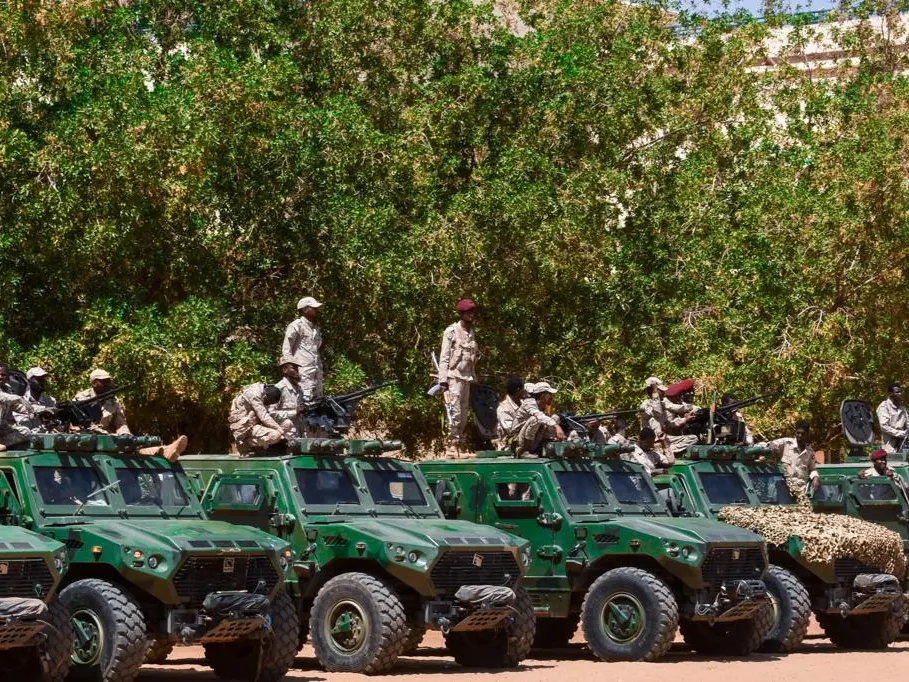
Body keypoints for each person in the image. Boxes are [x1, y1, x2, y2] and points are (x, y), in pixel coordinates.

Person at [74, 369, 187, 462]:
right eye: (104, 381)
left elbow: (120, 424)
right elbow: (81, 423)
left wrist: (126, 436)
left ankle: (164, 450)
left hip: (107, 440)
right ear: (94, 383)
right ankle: (163, 451)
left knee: (132, 447)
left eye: (108, 381)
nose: (108, 384)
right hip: (85, 438)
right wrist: (109, 435)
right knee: (121, 447)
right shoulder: (82, 398)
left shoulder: (111, 401)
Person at [437, 299, 479, 452]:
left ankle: (458, 444)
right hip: (453, 377)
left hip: (466, 377)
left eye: (473, 312)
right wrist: (443, 381)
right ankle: (451, 445)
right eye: (469, 312)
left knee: (463, 414)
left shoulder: (470, 332)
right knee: (454, 412)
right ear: (462, 314)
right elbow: (444, 357)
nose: (471, 315)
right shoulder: (451, 331)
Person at [228, 383, 294, 455]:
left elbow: (269, 414)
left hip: (256, 420)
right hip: (247, 426)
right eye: (268, 402)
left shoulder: (263, 392)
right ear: (265, 396)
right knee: (275, 435)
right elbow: (264, 417)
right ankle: (244, 444)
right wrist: (281, 431)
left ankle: (266, 446)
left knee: (288, 423)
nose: (268, 404)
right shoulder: (254, 395)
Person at [282, 296, 324, 402]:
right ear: (305, 310)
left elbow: (316, 348)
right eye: (313, 307)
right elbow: (287, 348)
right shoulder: (296, 326)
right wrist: (290, 367)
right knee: (304, 400)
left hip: (316, 370)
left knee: (318, 401)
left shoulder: (315, 328)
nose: (316, 310)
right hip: (303, 372)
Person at [770, 420, 820, 491]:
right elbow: (771, 444)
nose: (800, 436)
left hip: (800, 490)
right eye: (798, 433)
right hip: (783, 488)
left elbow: (812, 469)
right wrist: (772, 446)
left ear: (807, 434)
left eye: (803, 434)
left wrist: (816, 478)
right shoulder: (786, 443)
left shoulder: (810, 452)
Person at [272, 358, 306, 436]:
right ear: (285, 370)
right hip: (285, 435)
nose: (297, 371)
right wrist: (295, 412)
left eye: (297, 368)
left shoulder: (299, 389)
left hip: (300, 433)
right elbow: (271, 414)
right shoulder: (278, 388)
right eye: (293, 368)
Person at [876, 382, 908, 454]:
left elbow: (908, 422)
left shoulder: (902, 407)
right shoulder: (884, 406)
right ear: (890, 394)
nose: (900, 394)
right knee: (893, 461)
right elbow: (884, 426)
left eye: (900, 392)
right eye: (897, 392)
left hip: (903, 442)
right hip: (890, 443)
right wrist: (900, 433)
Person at [496, 376, 525, 449]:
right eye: (523, 389)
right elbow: (511, 431)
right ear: (518, 390)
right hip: (509, 449)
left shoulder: (524, 404)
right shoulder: (503, 409)